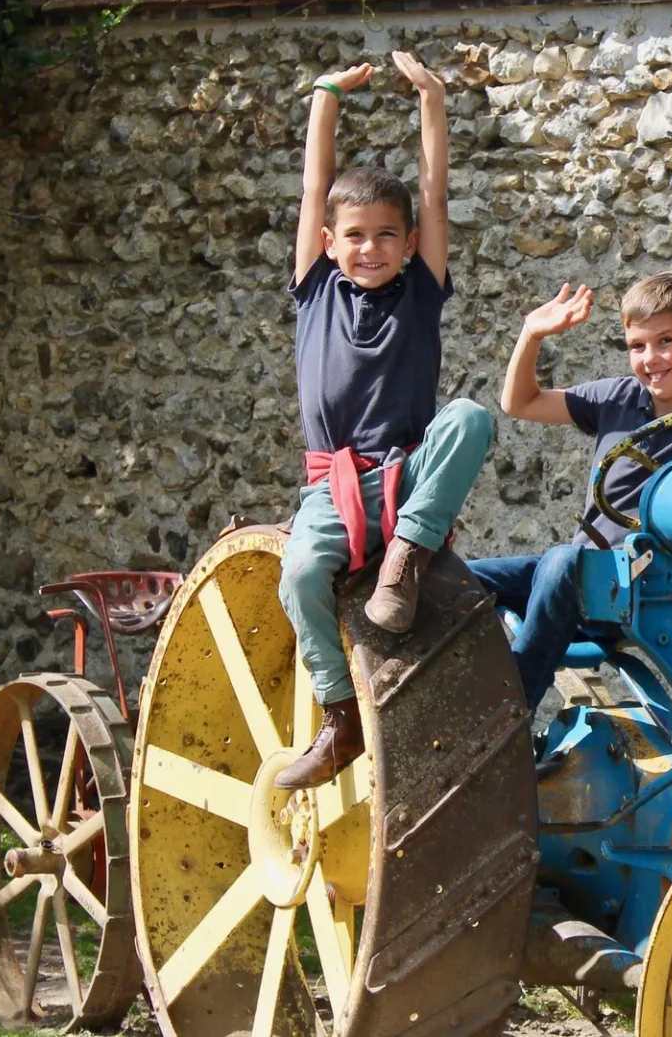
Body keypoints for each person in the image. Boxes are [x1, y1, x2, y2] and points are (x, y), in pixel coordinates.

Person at [275, 52, 495, 790]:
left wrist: (432, 98)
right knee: (300, 574)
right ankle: (339, 714)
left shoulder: (420, 292)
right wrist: (325, 95)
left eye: (385, 236)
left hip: (406, 474)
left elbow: (434, 193)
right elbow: (316, 187)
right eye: (355, 235)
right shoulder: (315, 289)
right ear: (332, 243)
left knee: (468, 417)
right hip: (332, 487)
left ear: (406, 245)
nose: (370, 248)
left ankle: (405, 556)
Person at [469, 274, 672, 710]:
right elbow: (521, 403)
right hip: (572, 579)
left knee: (561, 559)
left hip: (640, 585)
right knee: (455, 580)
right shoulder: (618, 398)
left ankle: (510, 714)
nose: (650, 358)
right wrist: (531, 333)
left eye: (665, 341)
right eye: (637, 346)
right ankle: (459, 703)